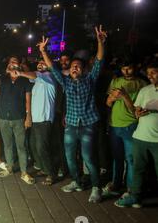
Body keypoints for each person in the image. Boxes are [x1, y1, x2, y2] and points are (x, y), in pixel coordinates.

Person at [40, 25, 108, 203]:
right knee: (70, 156)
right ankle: (77, 182)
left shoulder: (90, 80)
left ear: (83, 69)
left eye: (77, 66)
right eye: (72, 66)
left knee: (88, 157)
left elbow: (99, 60)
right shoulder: (66, 82)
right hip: (70, 124)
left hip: (87, 124)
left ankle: (96, 187)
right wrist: (43, 51)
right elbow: (52, 68)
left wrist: (100, 42)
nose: (74, 68)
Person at [115, 61, 158, 208]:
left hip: (157, 140)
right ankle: (135, 197)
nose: (150, 76)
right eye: (148, 73)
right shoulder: (145, 90)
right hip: (140, 136)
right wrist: (138, 112)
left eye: (153, 72)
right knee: (138, 168)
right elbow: (136, 111)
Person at [104, 60, 147, 196]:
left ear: (135, 68)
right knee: (117, 157)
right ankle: (116, 184)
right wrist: (112, 98)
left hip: (131, 125)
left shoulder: (142, 84)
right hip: (114, 124)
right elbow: (108, 103)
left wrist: (124, 96)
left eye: (129, 68)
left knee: (130, 158)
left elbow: (136, 111)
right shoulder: (116, 81)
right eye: (124, 69)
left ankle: (130, 188)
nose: (126, 72)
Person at [0, 57, 35, 185]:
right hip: (3, 117)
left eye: (14, 62)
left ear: (19, 66)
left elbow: (28, 100)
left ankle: (24, 172)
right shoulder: (4, 79)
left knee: (21, 146)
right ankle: (9, 168)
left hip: (19, 118)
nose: (12, 64)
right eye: (10, 62)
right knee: (8, 145)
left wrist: (28, 117)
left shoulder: (24, 80)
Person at [15, 59, 57, 185]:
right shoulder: (37, 80)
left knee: (41, 147)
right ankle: (44, 169)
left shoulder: (49, 77)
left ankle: (51, 173)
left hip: (44, 119)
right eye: (39, 62)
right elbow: (32, 75)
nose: (40, 64)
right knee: (33, 146)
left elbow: (33, 74)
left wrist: (20, 73)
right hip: (36, 119)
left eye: (43, 63)